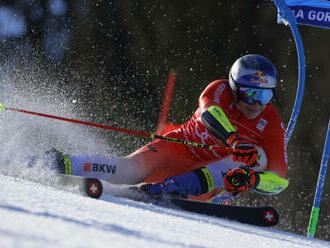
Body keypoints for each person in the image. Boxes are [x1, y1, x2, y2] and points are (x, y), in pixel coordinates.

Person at [51, 54, 289, 202]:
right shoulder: (219, 89)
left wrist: (251, 181)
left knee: (257, 158)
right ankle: (60, 163)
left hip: (206, 177)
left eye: (265, 95)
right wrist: (234, 139)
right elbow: (210, 114)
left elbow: (279, 180)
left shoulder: (272, 123)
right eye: (250, 93)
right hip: (179, 148)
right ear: (234, 87)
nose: (257, 103)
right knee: (128, 169)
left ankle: (168, 189)